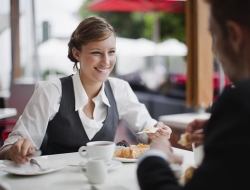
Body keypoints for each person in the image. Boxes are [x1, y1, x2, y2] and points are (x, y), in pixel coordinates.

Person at [0, 17, 172, 164]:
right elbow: (7, 148)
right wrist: (17, 149)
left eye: (111, 52)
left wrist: (157, 132)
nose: (106, 61)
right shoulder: (51, 91)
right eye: (97, 52)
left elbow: (147, 129)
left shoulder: (120, 89)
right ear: (76, 53)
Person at [137, 0, 250, 189]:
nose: (213, 50)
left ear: (234, 35)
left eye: (214, 35)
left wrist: (154, 157)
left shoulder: (239, 103)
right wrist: (224, 131)